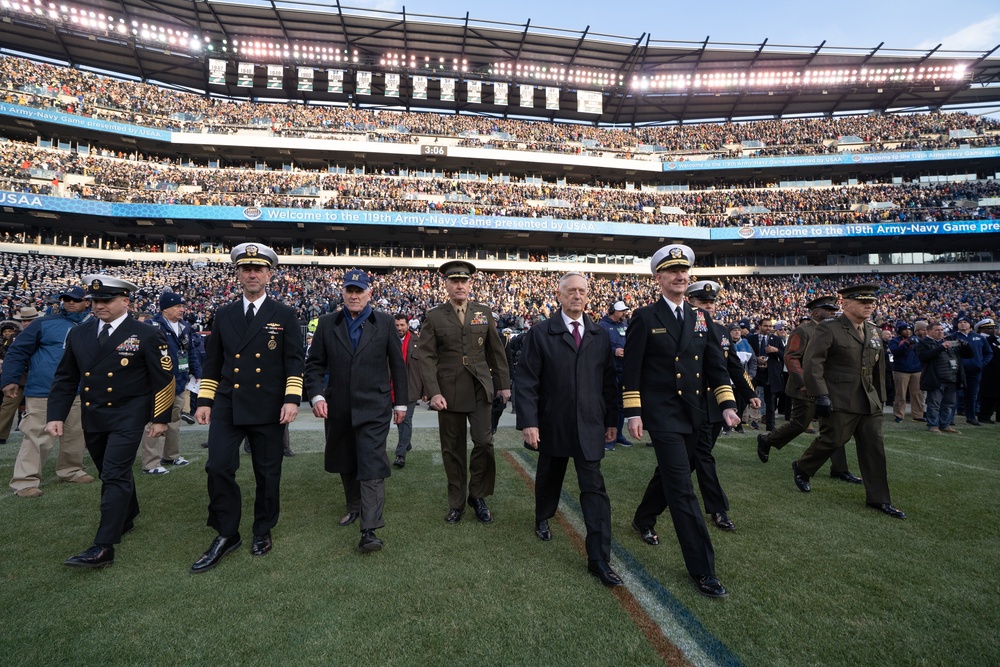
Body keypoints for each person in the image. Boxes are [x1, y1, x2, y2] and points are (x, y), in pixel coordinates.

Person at [624, 245, 740, 599]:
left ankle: (643, 518)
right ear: (658, 278)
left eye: (684, 271)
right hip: (663, 416)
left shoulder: (701, 318)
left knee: (671, 475)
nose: (679, 276)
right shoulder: (644, 317)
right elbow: (632, 370)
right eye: (672, 271)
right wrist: (634, 412)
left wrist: (728, 405)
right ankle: (703, 570)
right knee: (682, 490)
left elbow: (715, 368)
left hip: (697, 414)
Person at [45, 275, 175, 568]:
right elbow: (66, 378)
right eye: (95, 301)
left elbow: (164, 378)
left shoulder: (145, 333)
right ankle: (127, 516)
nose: (98, 306)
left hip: (129, 415)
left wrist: (160, 418)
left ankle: (103, 546)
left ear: (125, 301)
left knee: (114, 474)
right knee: (109, 471)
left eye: (106, 300)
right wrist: (56, 415)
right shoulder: (79, 334)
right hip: (94, 415)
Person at [192, 243, 304, 573]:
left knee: (267, 473)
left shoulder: (284, 314)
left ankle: (262, 529)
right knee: (218, 466)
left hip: (269, 405)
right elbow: (212, 363)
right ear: (238, 274)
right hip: (228, 403)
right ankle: (227, 533)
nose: (252, 274)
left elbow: (294, 361)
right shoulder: (224, 314)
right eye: (246, 269)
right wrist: (204, 401)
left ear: (270, 275)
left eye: (259, 269)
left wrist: (291, 398)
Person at [515, 272, 620, 586]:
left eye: (582, 291)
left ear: (588, 296)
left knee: (595, 490)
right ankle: (543, 516)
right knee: (550, 477)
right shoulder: (540, 333)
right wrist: (529, 423)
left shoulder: (600, 334)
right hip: (553, 423)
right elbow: (527, 380)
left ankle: (599, 559)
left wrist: (612, 420)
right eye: (571, 291)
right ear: (559, 295)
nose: (577, 295)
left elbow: (608, 382)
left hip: (590, 424)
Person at [305, 270, 407, 553]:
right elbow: (314, 365)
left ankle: (370, 528)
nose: (353, 295)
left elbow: (398, 366)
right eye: (349, 290)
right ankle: (354, 507)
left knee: (372, 460)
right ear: (342, 293)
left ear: (368, 293)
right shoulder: (327, 323)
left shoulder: (385, 322)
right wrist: (315, 396)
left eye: (359, 290)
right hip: (337, 406)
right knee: (346, 458)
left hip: (375, 406)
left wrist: (401, 403)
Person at [791, 285, 906, 519]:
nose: (869, 306)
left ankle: (879, 499)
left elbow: (878, 367)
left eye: (871, 302)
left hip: (869, 398)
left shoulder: (873, 330)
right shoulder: (829, 328)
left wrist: (881, 397)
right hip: (839, 396)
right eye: (862, 302)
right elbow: (814, 363)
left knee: (874, 448)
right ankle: (803, 466)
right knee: (833, 440)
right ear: (845, 304)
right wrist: (820, 394)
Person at [417, 260, 511, 524]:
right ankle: (457, 502)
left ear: (470, 284)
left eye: (464, 281)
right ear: (446, 285)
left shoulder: (484, 312)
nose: (460, 285)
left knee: (484, 442)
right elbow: (426, 356)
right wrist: (433, 392)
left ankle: (477, 495)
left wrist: (504, 385)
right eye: (454, 281)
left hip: (480, 387)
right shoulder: (435, 316)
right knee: (452, 449)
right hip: (448, 393)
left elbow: (496, 351)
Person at [757, 296, 862, 484]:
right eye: (827, 309)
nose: (832, 312)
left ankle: (840, 468)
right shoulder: (803, 330)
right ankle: (767, 440)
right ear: (814, 312)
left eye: (833, 309)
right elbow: (791, 358)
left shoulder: (835, 330)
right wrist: (803, 383)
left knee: (834, 428)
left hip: (829, 387)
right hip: (805, 387)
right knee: (799, 424)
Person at [5, 287, 94, 497]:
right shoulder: (43, 323)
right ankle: (25, 481)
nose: (70, 302)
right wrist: (10, 379)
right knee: (37, 435)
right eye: (65, 299)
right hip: (44, 389)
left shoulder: (94, 325)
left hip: (80, 390)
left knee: (75, 434)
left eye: (75, 299)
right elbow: (17, 351)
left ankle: (71, 470)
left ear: (87, 302)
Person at [685, 280, 759, 532]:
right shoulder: (683, 328)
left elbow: (733, 366)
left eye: (711, 302)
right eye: (702, 302)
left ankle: (650, 507)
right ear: (690, 303)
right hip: (691, 404)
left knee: (687, 462)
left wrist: (749, 393)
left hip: (716, 404)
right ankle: (718, 508)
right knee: (703, 456)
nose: (708, 306)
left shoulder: (722, 332)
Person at [138, 291, 200, 475]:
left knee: (174, 420)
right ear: (165, 308)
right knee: (155, 422)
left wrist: (197, 371)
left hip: (179, 380)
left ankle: (171, 455)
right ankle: (150, 463)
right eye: (177, 306)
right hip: (158, 383)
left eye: (182, 306)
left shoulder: (184, 326)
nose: (182, 309)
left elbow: (189, 352)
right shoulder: (152, 326)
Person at [917, 321, 971, 434]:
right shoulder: (923, 343)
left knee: (949, 404)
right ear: (929, 331)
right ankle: (933, 425)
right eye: (937, 330)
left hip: (952, 378)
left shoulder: (949, 342)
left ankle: (945, 424)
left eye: (942, 330)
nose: (940, 332)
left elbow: (970, 355)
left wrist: (966, 345)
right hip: (936, 378)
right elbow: (924, 357)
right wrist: (941, 347)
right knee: (934, 404)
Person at [597, 300, 634, 449]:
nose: (624, 313)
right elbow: (598, 347)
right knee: (608, 405)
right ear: (612, 311)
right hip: (609, 372)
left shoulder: (624, 325)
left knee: (620, 406)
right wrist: (614, 351)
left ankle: (618, 435)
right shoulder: (602, 326)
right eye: (621, 311)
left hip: (623, 370)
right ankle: (606, 437)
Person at [0, 308, 38, 442]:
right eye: (24, 320)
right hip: (20, 377)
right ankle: (1, 435)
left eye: (29, 320)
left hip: (39, 376)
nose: (26, 323)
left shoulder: (44, 333)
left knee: (41, 408)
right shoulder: (16, 336)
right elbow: (10, 355)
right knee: (7, 406)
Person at [391, 313, 421, 468]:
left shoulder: (418, 342)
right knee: (399, 419)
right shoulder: (387, 340)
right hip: (392, 387)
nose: (399, 328)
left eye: (402, 325)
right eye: (396, 325)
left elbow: (423, 368)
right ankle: (406, 442)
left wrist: (427, 390)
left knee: (405, 419)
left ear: (408, 325)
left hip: (411, 388)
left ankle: (400, 454)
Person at [952, 316, 993, 426]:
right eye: (960, 322)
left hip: (974, 371)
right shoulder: (952, 337)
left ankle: (971, 417)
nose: (962, 324)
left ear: (970, 324)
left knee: (972, 395)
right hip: (957, 371)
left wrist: (981, 364)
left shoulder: (979, 338)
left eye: (965, 322)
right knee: (954, 394)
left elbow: (988, 353)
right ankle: (950, 418)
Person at [748, 317, 785, 431]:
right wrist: (756, 359)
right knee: (746, 395)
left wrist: (776, 350)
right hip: (755, 372)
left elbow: (785, 356)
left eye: (770, 326)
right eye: (765, 326)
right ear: (759, 326)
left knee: (770, 401)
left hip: (770, 373)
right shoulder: (751, 338)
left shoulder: (777, 340)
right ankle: (740, 422)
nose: (768, 328)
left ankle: (770, 425)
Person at [887, 321, 925, 423]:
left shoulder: (917, 339)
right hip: (901, 370)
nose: (907, 331)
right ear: (899, 331)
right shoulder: (894, 341)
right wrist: (906, 344)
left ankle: (918, 414)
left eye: (909, 329)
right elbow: (895, 352)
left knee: (917, 394)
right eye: (904, 329)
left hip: (916, 369)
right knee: (901, 394)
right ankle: (899, 414)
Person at [728, 322, 756, 434]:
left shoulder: (747, 345)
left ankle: (738, 425)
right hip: (728, 380)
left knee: (741, 403)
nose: (737, 332)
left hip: (742, 380)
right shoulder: (725, 344)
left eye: (738, 330)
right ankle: (726, 425)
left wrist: (751, 374)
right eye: (734, 330)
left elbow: (753, 361)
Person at [975, 318, 1000, 423]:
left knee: (996, 394)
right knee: (988, 394)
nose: (992, 330)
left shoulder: (994, 340)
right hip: (987, 369)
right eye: (989, 328)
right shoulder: (981, 339)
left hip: (996, 369)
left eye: (993, 327)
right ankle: (984, 415)